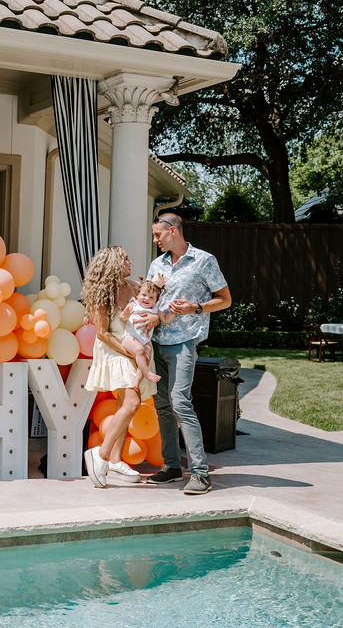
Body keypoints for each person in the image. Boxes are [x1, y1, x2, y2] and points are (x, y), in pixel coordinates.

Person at [137, 212, 231, 495]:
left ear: (173, 231)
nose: (155, 240)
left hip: (184, 343)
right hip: (156, 342)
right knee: (162, 406)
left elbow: (225, 300)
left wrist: (196, 307)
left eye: (158, 235)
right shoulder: (158, 264)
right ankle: (172, 466)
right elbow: (151, 297)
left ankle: (201, 474)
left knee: (180, 402)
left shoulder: (204, 261)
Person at [81, 246, 155, 488]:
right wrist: (128, 352)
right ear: (113, 263)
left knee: (124, 404)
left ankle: (115, 460)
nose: (130, 261)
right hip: (115, 349)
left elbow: (152, 302)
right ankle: (100, 455)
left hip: (136, 348)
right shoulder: (103, 293)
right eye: (125, 258)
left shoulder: (134, 287)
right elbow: (102, 333)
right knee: (133, 403)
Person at [119, 279, 172, 387]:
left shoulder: (156, 309)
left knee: (146, 358)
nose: (147, 298)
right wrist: (125, 314)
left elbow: (166, 319)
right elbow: (122, 318)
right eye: (144, 295)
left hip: (145, 340)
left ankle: (136, 382)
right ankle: (147, 373)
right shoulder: (133, 304)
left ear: (156, 301)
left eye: (151, 297)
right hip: (130, 337)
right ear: (137, 295)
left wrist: (173, 312)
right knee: (139, 350)